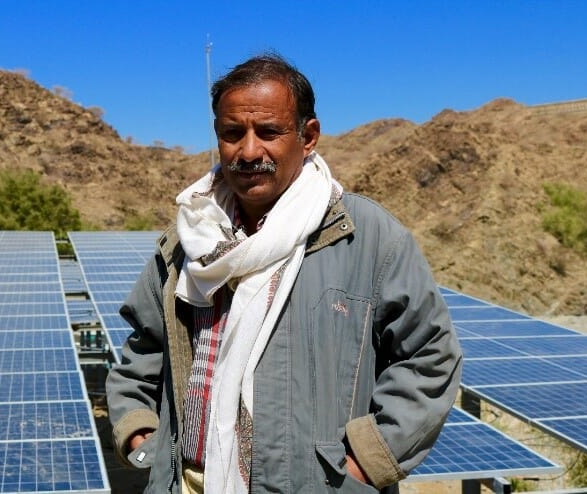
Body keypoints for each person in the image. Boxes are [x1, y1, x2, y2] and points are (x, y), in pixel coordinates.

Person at [106, 54, 462, 494]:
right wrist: (140, 432)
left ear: (308, 136)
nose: (249, 151)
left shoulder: (367, 237)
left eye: (269, 132)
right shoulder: (185, 242)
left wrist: (363, 465)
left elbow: (429, 355)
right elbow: (143, 350)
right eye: (232, 133)